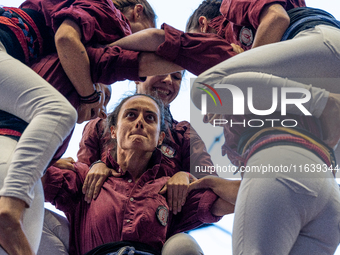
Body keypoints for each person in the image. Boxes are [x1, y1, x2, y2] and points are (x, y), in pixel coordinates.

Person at [0, 0, 172, 254]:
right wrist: (90, 94)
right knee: (59, 112)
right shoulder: (108, 16)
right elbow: (70, 42)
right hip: (8, 47)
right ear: (137, 11)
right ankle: (9, 211)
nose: (100, 107)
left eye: (150, 119)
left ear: (161, 137)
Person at [41, 94, 239, 255]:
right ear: (113, 131)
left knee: (183, 245)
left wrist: (205, 180)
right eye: (131, 115)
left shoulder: (170, 191)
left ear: (160, 138)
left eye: (150, 118)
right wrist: (52, 160)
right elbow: (21, 175)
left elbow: (245, 198)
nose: (139, 123)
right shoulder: (87, 178)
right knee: (33, 216)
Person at [78, 72, 217, 213]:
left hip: (164, 229)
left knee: (182, 237)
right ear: (136, 77)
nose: (168, 80)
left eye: (176, 77)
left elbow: (212, 191)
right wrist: (95, 166)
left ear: (161, 137)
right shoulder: (100, 126)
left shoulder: (184, 134)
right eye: (161, 71)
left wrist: (187, 177)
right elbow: (76, 182)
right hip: (101, 221)